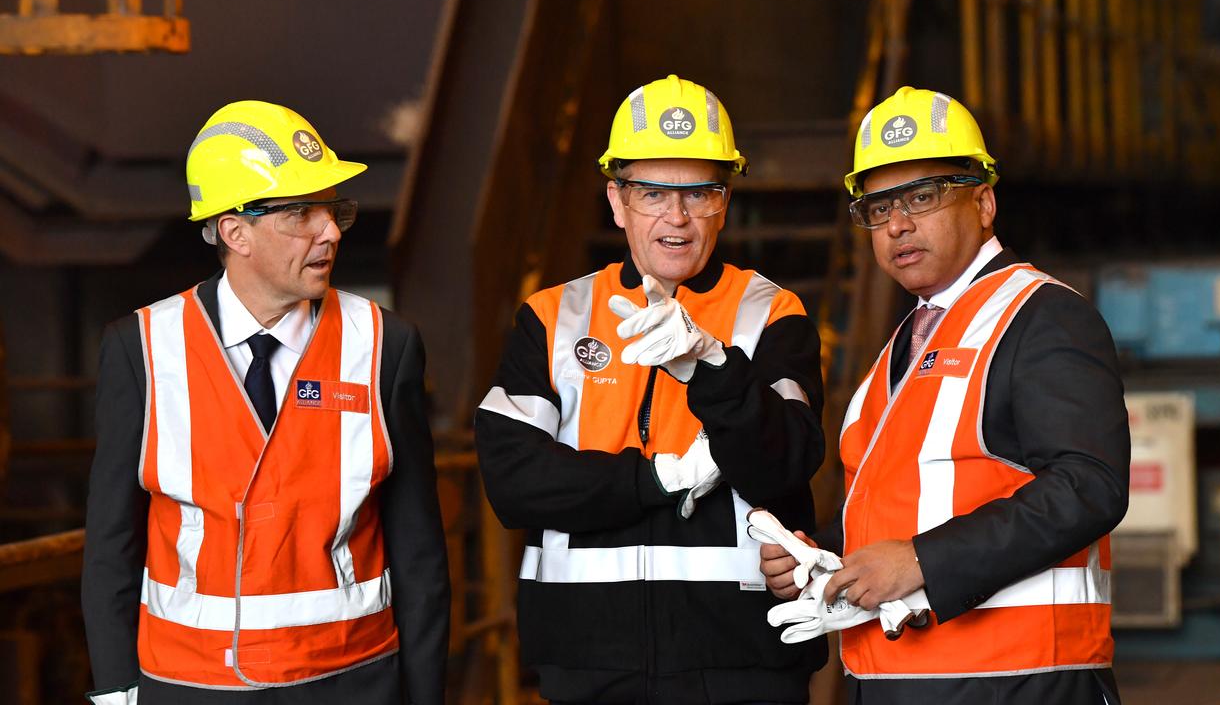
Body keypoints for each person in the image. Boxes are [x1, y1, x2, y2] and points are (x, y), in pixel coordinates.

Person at [760, 86, 1129, 704]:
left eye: (921, 197)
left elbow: (1089, 486)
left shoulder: (1042, 316)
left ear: (984, 203)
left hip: (1020, 682)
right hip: (894, 681)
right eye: (878, 207)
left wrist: (921, 562)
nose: (897, 224)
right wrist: (826, 554)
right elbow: (910, 503)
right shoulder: (907, 341)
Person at [81, 101, 449, 705]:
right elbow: (111, 543)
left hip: (351, 679)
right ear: (235, 232)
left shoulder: (386, 346)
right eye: (302, 213)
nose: (329, 231)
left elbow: (418, 550)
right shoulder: (142, 348)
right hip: (190, 685)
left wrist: (425, 693)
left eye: (333, 210)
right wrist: (116, 691)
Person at [475, 74, 827, 704]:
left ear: (724, 201)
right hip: (588, 661)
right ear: (616, 201)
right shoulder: (554, 316)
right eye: (652, 192)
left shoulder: (773, 313)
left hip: (741, 660)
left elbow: (783, 465)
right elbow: (513, 479)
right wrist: (659, 480)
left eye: (700, 192)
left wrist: (716, 367)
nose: (677, 216)